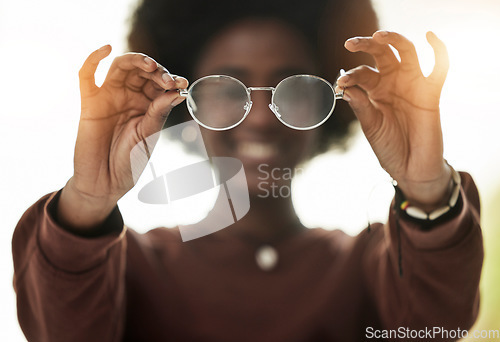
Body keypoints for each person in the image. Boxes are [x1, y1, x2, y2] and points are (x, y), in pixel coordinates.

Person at [12, 0, 483, 341]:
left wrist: (425, 189)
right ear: (182, 101)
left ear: (331, 105)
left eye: (291, 86)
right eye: (227, 87)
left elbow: (434, 327)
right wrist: (89, 201)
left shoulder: (370, 265)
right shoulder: (128, 267)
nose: (259, 117)